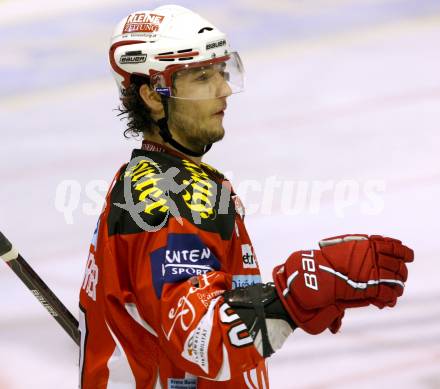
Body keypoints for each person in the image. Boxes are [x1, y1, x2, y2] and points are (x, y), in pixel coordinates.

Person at [78, 5, 414, 388]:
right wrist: (295, 295)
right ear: (154, 96)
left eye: (222, 71)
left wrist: (299, 303)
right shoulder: (165, 199)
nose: (223, 89)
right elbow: (208, 344)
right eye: (202, 77)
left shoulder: (159, 179)